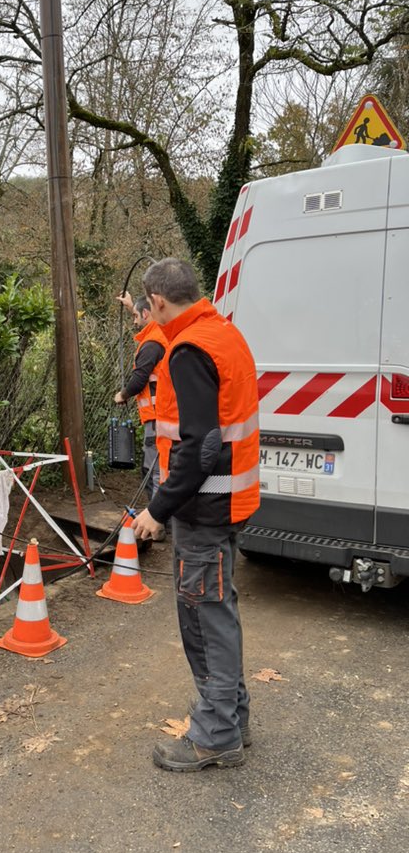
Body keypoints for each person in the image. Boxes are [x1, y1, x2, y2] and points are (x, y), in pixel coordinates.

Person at [131, 259, 260, 772]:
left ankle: (216, 735)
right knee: (218, 612)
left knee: (205, 619)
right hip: (228, 503)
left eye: (147, 306)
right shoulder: (224, 332)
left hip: (203, 510)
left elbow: (201, 446)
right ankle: (232, 718)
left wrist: (157, 511)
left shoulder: (188, 350)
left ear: (158, 302)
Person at [114, 292, 167, 531]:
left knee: (154, 471)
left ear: (147, 314)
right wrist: (130, 304)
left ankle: (157, 524)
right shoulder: (160, 332)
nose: (133, 321)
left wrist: (122, 395)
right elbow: (145, 312)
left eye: (136, 316)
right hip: (162, 416)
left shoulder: (152, 344)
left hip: (157, 418)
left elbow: (139, 378)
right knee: (157, 468)